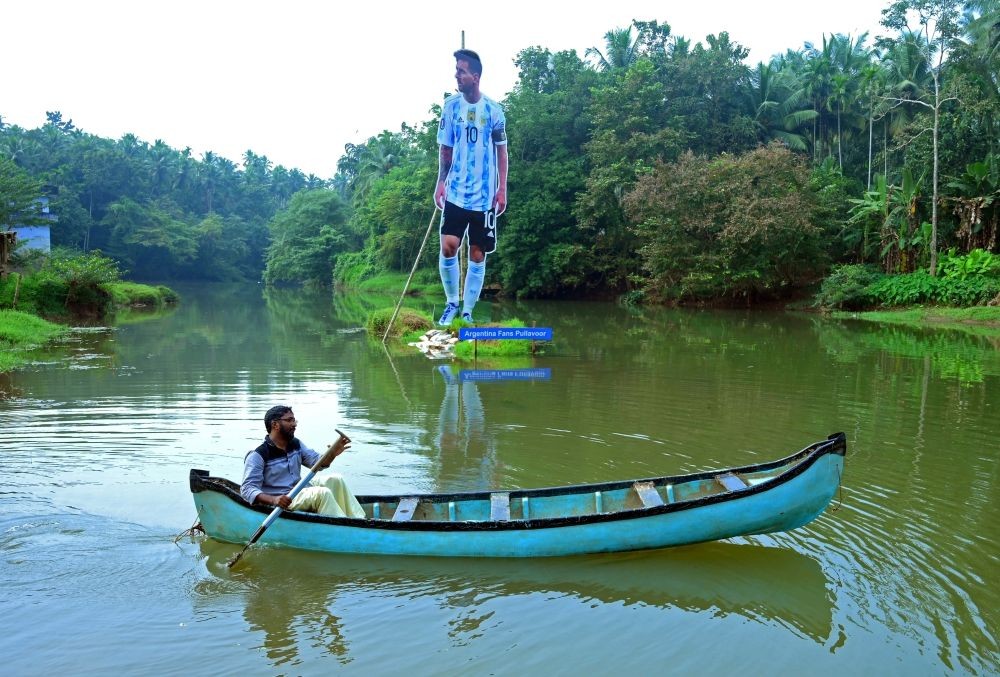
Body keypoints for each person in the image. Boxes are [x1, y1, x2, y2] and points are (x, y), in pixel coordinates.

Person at [433, 48, 508, 325]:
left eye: (461, 71)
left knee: (477, 253)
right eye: (456, 70)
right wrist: (440, 182)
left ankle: (468, 312)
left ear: (474, 76)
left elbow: (502, 151)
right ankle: (452, 303)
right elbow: (446, 147)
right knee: (449, 247)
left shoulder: (494, 111)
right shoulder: (451, 107)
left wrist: (502, 189)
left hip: (485, 197)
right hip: (455, 193)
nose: (457, 75)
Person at [241, 405, 366, 519]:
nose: (294, 424)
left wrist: (332, 453)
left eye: (294, 420)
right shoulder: (258, 454)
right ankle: (342, 527)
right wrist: (274, 500)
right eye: (289, 420)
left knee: (336, 479)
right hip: (283, 498)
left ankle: (359, 520)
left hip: (298, 489)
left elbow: (319, 463)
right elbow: (247, 489)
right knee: (322, 494)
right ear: (275, 425)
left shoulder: (296, 444)